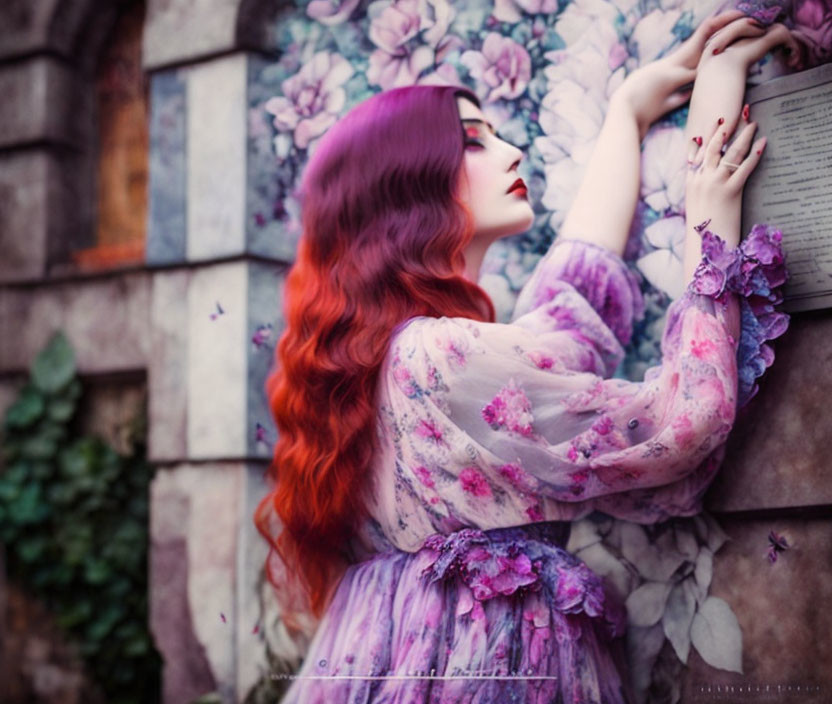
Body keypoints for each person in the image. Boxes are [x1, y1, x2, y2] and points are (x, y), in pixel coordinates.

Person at [254, 8, 794, 703]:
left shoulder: (392, 363)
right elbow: (678, 425)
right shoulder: (439, 355)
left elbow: (570, 318)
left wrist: (625, 116)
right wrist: (708, 224)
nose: (510, 153)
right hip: (486, 663)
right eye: (475, 142)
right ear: (407, 185)